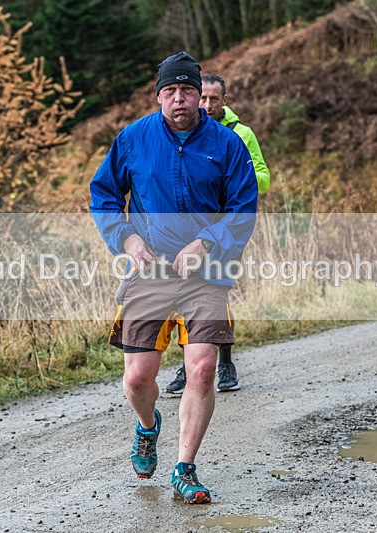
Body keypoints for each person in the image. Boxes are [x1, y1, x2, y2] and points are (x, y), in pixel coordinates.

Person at [89, 51, 258, 504]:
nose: (180, 99)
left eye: (188, 90)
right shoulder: (133, 139)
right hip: (150, 269)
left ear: (200, 96)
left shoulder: (227, 144)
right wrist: (126, 240)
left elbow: (243, 208)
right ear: (159, 95)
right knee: (138, 380)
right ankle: (148, 427)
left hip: (208, 271)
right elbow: (103, 194)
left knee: (202, 367)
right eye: (171, 91)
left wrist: (206, 243)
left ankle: (185, 467)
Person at [166, 72, 270, 395]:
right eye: (204, 98)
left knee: (214, 291)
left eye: (214, 98)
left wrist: (239, 182)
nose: (208, 104)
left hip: (228, 228)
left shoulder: (241, 134)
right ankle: (191, 365)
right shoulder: (184, 133)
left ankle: (224, 360)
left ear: (225, 101)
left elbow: (263, 176)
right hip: (191, 227)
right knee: (185, 294)